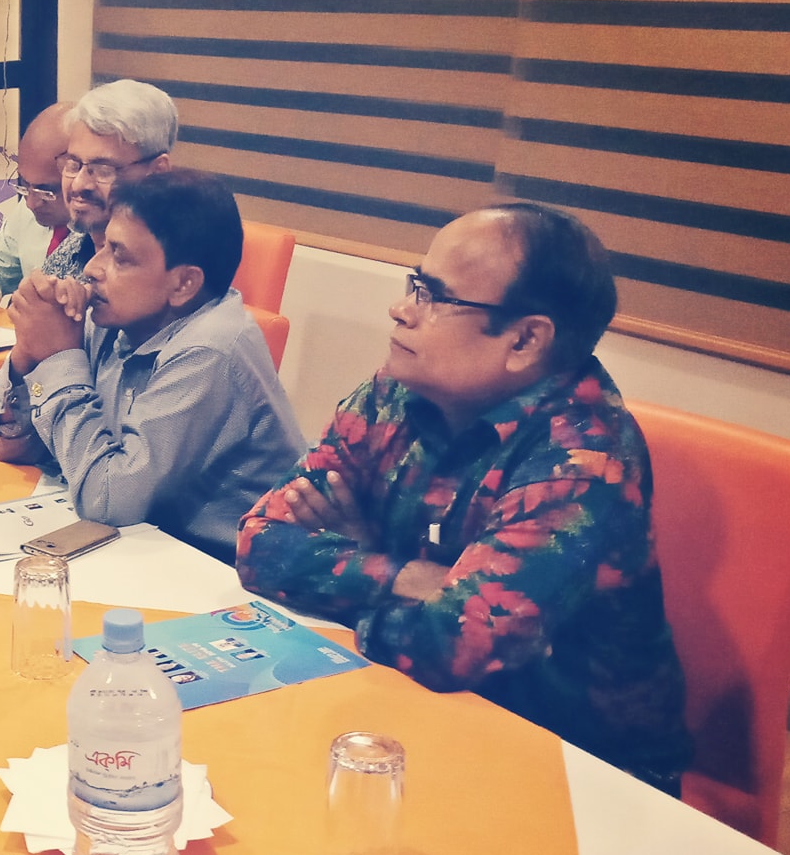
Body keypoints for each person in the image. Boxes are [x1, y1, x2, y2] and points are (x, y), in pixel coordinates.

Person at [236, 203, 692, 789]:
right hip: (416, 706)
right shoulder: (396, 392)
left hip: (580, 767)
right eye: (414, 285)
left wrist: (359, 571)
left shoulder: (583, 458)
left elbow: (452, 644)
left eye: (435, 296)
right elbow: (260, 543)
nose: (401, 309)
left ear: (525, 339)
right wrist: (409, 576)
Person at [0, 169, 302, 560]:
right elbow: (7, 444)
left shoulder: (210, 349)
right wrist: (29, 354)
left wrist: (58, 359)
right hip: (140, 545)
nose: (92, 269)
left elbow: (108, 500)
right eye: (101, 247)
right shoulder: (114, 316)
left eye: (119, 256)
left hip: (219, 566)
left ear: (183, 284)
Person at [39, 78, 179, 285]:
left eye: (103, 170)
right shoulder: (75, 245)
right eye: (73, 164)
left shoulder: (171, 272)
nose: (78, 184)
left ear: (157, 172)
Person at [0, 100, 73, 324]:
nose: (31, 203)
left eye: (45, 191)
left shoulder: (109, 232)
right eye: (24, 185)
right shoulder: (28, 211)